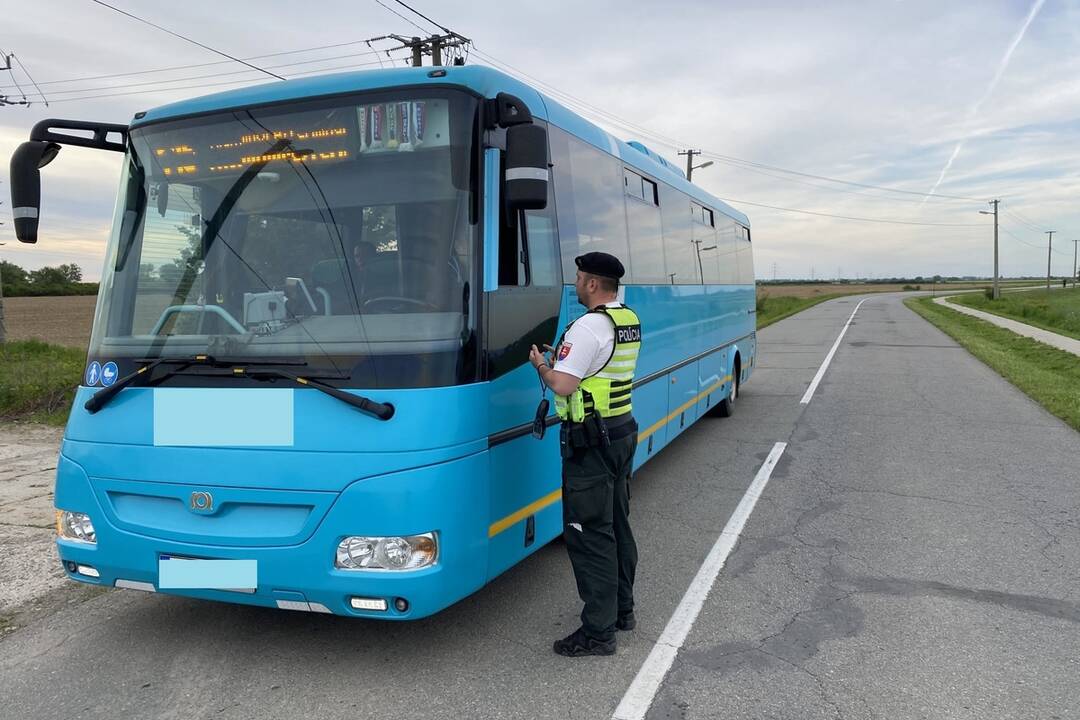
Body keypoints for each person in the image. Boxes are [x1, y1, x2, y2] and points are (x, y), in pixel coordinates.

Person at [529, 251, 642, 657]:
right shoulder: (626, 320)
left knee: (588, 533)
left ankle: (598, 632)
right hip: (621, 431)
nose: (575, 284)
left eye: (578, 278)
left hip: (590, 443)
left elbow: (562, 384)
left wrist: (542, 366)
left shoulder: (589, 326)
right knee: (616, 525)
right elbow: (597, 368)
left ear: (593, 284)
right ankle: (622, 611)